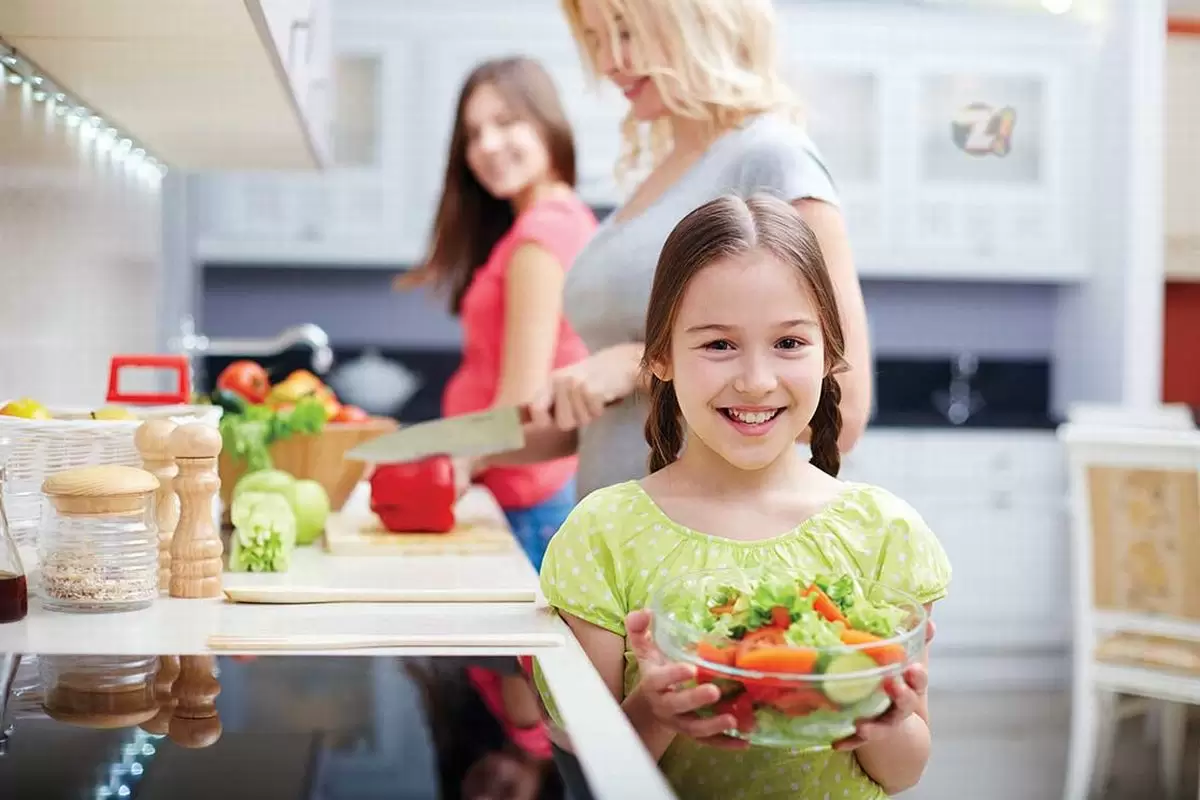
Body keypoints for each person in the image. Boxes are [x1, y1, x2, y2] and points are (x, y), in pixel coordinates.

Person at [534, 194, 952, 799]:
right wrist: (654, 712)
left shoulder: (884, 533)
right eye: (719, 345)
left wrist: (880, 716)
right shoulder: (601, 536)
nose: (756, 380)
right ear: (659, 358)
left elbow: (904, 769)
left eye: (788, 344)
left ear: (830, 355)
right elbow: (593, 775)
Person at [490, 0, 873, 501]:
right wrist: (470, 447)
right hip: (615, 548)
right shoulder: (662, 173)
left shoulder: (772, 158)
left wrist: (636, 363)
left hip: (702, 559)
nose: (608, 61)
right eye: (596, 39)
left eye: (625, 31)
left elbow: (841, 411)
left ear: (697, 20)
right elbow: (616, 415)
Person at [398, 56, 597, 568]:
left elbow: (520, 402)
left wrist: (446, 459)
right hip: (526, 493)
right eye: (473, 133)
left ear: (547, 123)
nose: (486, 145)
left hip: (527, 502)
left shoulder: (540, 235)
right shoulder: (554, 220)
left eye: (506, 123)